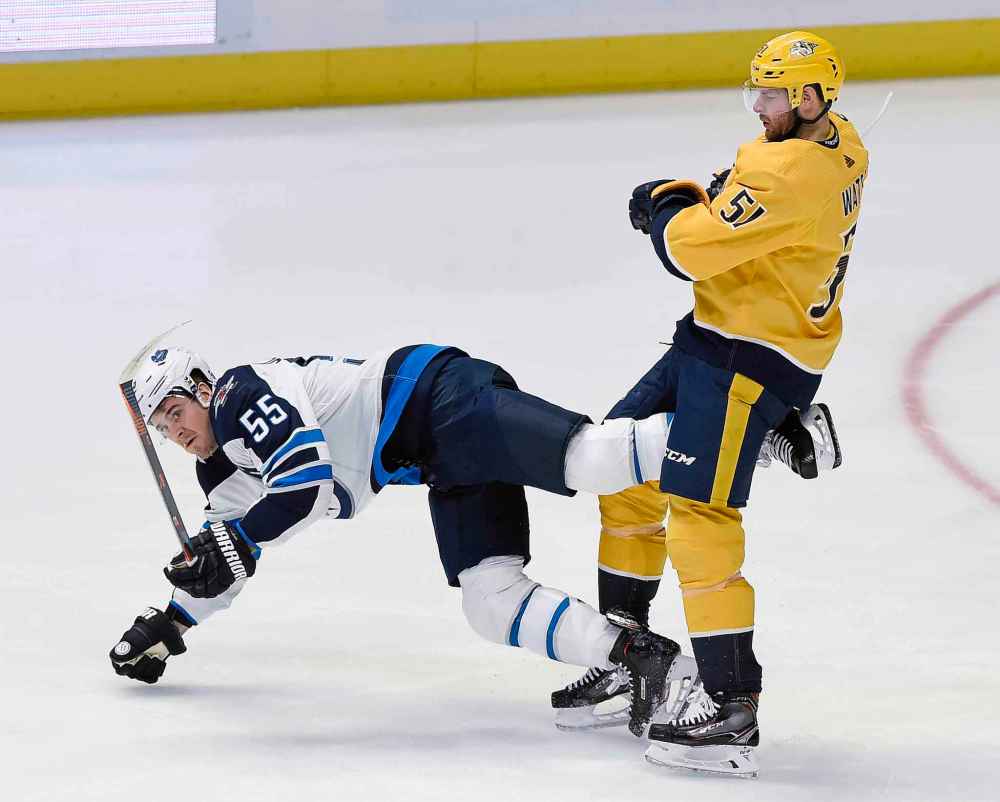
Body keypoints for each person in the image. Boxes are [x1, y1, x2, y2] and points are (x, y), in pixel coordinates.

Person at [109, 342, 815, 737]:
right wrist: (169, 620)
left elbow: (306, 484)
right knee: (491, 601)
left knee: (592, 459)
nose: (178, 432)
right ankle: (638, 657)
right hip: (438, 459)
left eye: (176, 411)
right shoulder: (224, 465)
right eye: (165, 430)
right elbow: (223, 556)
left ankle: (774, 430)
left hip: (439, 398)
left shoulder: (238, 394)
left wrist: (234, 545)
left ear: (200, 386)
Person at [551, 30, 865, 777]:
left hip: (751, 358)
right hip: (715, 335)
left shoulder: (792, 172)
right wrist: (707, 197)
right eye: (757, 91)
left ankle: (733, 709)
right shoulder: (841, 140)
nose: (760, 107)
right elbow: (737, 205)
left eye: (774, 95)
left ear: (813, 98)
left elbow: (689, 249)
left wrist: (662, 207)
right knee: (620, 469)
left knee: (700, 517)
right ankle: (631, 657)